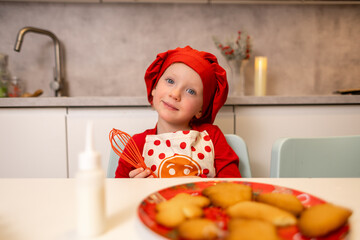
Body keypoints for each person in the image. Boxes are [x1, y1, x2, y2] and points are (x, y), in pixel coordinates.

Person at [115, 46, 241, 178]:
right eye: (170, 81)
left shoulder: (212, 137)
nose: (175, 94)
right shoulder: (135, 145)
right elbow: (117, 193)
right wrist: (133, 187)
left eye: (191, 91)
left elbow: (233, 186)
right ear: (154, 88)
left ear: (201, 109)